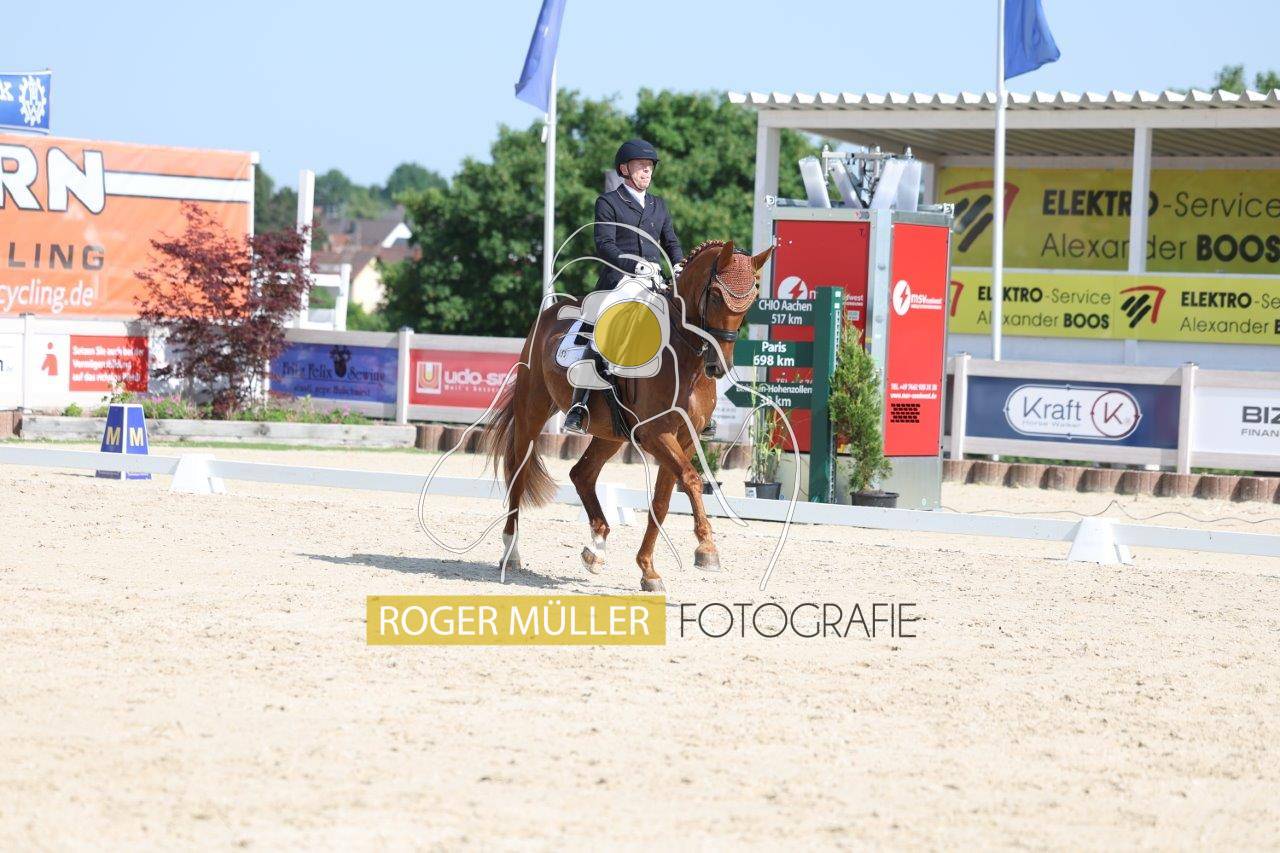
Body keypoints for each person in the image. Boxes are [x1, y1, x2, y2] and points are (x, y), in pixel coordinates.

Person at [562, 139, 685, 435]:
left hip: (655, 280)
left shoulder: (658, 204)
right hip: (621, 279)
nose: (647, 171)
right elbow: (604, 244)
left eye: (650, 167)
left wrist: (679, 264)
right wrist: (633, 265)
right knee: (602, 332)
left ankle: (690, 403)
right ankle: (580, 404)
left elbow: (671, 241)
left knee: (685, 325)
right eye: (641, 166)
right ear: (625, 169)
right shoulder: (608, 202)